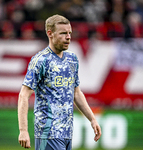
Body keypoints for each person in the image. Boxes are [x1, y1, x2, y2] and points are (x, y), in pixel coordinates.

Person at [18, 14, 101, 150]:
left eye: (69, 33)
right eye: (63, 33)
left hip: (67, 133)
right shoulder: (40, 60)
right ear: (50, 34)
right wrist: (23, 130)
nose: (68, 37)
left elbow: (76, 93)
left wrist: (92, 119)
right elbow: (23, 95)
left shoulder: (72, 59)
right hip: (48, 132)